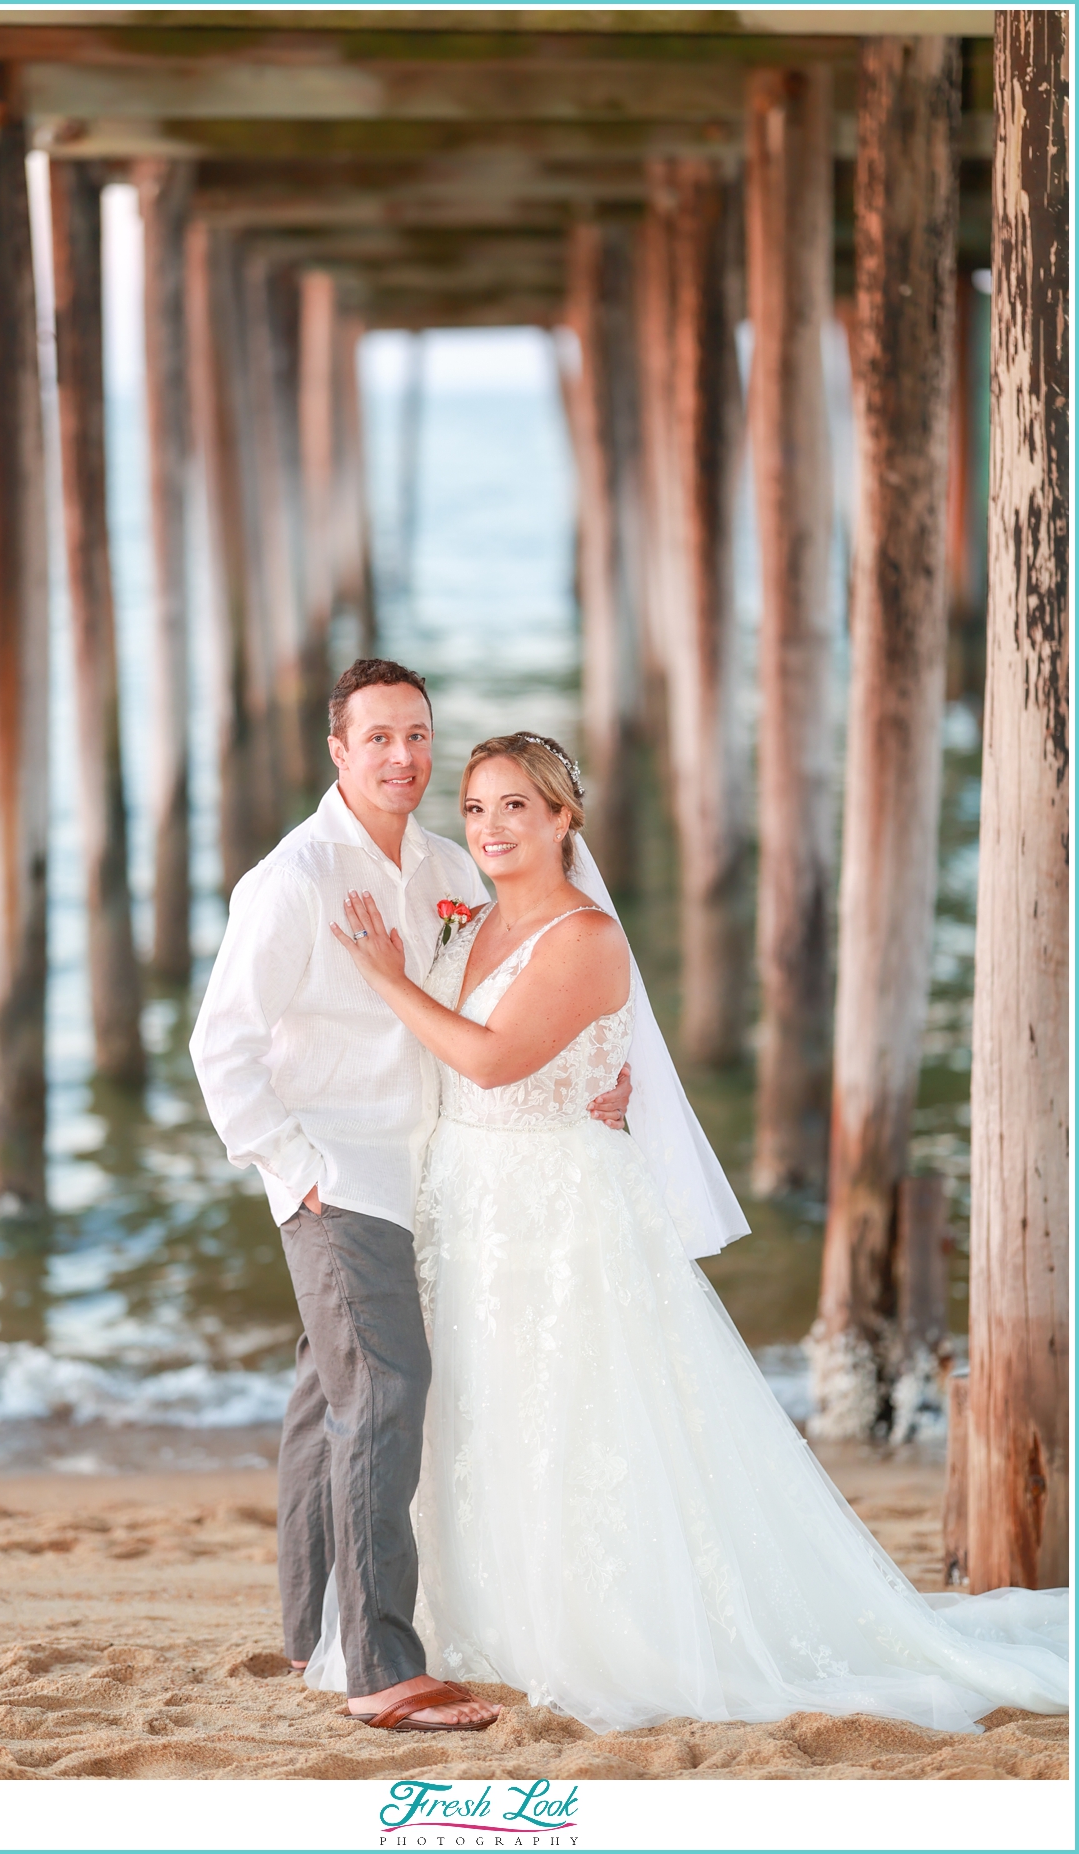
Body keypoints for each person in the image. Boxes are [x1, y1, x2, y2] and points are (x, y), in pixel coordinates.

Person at [323, 730, 1068, 1735]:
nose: (492, 828)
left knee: (573, 1414)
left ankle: (593, 1632)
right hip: (470, 1202)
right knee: (482, 1410)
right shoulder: (476, 929)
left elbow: (493, 1061)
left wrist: (386, 979)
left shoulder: (586, 938)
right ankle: (479, 1625)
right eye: (477, 808)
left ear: (562, 819)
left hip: (556, 1211)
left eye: (515, 808)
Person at [189, 666, 631, 1733]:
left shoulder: (444, 866)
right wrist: (297, 1174)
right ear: (338, 750)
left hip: (433, 1173)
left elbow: (500, 1001)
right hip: (338, 1177)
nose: (403, 758)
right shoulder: (291, 879)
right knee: (386, 1388)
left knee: (328, 1396)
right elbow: (222, 1048)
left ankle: (315, 1636)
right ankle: (383, 1667)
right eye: (378, 738)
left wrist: (588, 1071)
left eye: (418, 736)